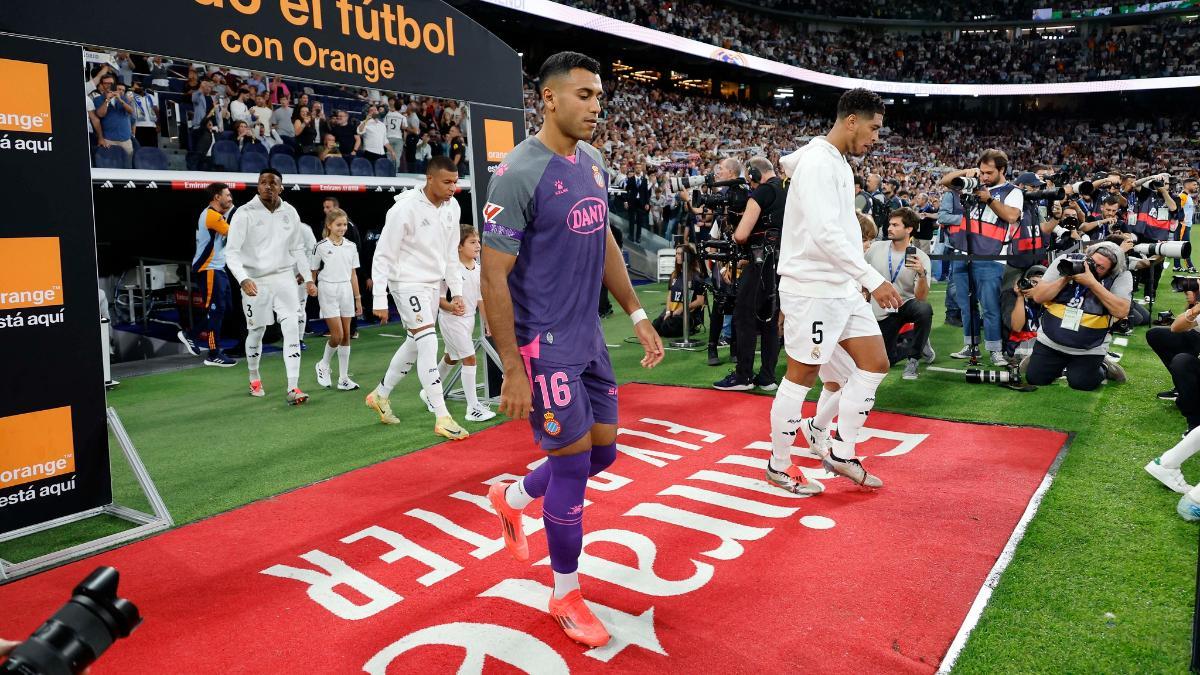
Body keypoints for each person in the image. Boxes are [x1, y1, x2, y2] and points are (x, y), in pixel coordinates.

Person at [480, 51, 663, 649]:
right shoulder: (516, 173)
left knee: (600, 456)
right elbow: (492, 277)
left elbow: (602, 234)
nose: (595, 106)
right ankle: (564, 593)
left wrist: (636, 312)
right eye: (584, 95)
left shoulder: (595, 162)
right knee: (570, 468)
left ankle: (508, 498)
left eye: (600, 96)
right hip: (543, 346)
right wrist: (511, 365)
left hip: (588, 337)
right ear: (549, 98)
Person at [770, 87, 900, 497]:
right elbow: (825, 234)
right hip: (812, 288)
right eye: (874, 128)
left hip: (840, 287)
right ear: (851, 121)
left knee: (875, 363)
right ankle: (779, 464)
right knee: (802, 375)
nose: (876, 137)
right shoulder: (817, 165)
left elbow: (836, 229)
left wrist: (857, 279)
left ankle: (841, 450)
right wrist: (871, 277)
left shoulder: (838, 163)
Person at [365, 157, 471, 440]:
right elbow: (383, 255)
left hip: (432, 285)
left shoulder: (453, 207)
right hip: (406, 283)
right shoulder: (404, 209)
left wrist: (456, 291)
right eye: (447, 182)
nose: (453, 188)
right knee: (427, 342)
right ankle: (442, 416)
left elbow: (451, 255)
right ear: (430, 179)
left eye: (455, 182)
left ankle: (381, 394)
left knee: (415, 342)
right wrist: (379, 298)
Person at [224, 168, 316, 404]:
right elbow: (231, 253)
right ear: (258, 187)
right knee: (257, 331)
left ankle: (293, 387)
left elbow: (297, 249)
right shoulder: (244, 213)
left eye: (272, 183)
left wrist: (307, 277)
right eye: (263, 182)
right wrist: (243, 278)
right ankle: (254, 378)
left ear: (280, 187)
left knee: (292, 328)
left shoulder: (290, 212)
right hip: (256, 280)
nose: (267, 186)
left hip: (284, 277)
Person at [940, 149, 1025, 366]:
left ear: (1002, 170)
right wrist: (968, 172)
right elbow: (945, 181)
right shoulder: (972, 184)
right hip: (963, 252)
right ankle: (970, 345)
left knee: (989, 307)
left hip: (992, 255)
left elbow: (1011, 216)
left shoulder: (1012, 191)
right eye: (982, 172)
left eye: (989, 172)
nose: (984, 177)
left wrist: (989, 200)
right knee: (966, 306)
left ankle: (995, 350)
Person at [713, 156, 786, 392]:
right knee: (770, 321)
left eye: (750, 180)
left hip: (760, 263)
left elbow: (742, 235)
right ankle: (767, 377)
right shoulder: (788, 190)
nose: (750, 186)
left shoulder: (762, 192)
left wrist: (735, 233)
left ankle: (743, 376)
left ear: (755, 174)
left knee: (744, 315)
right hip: (782, 264)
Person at [1025, 241, 1131, 391]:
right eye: (1092, 262)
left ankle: (1104, 367)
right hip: (1051, 339)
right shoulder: (1066, 261)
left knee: (1082, 383)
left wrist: (1092, 283)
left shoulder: (1121, 275)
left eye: (1101, 268)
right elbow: (1039, 297)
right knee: (1035, 379)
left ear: (1110, 271)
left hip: (1089, 347)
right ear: (1086, 257)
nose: (1094, 268)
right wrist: (1066, 277)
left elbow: (1121, 311)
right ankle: (1048, 363)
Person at [426, 226, 496, 422]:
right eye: (472, 242)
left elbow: (481, 299)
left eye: (478, 242)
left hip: (468, 320)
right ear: (458, 246)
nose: (478, 246)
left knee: (452, 357)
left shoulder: (479, 268)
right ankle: (472, 408)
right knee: (470, 358)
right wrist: (451, 307)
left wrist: (486, 322)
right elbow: (438, 299)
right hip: (451, 320)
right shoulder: (449, 269)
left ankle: (429, 392)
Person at [864, 207, 934, 379]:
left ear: (909, 229)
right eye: (890, 224)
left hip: (904, 305)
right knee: (886, 360)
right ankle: (917, 340)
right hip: (881, 309)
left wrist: (921, 274)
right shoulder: (875, 248)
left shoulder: (921, 257)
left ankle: (913, 359)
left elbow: (921, 298)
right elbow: (861, 274)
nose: (889, 228)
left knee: (924, 310)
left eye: (895, 225)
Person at [178, 182, 238, 367]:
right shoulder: (211, 216)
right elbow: (235, 235)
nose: (230, 198)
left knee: (223, 309)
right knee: (215, 311)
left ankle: (191, 334)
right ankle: (213, 353)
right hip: (209, 269)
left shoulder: (216, 214)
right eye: (227, 195)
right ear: (217, 197)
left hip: (217, 268)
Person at [312, 208, 362, 391]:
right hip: (327, 290)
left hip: (346, 290)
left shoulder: (351, 246)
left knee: (347, 335)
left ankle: (343, 379)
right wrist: (311, 285)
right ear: (329, 225)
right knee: (337, 335)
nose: (342, 228)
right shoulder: (320, 246)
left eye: (344, 224)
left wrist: (358, 299)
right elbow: (313, 270)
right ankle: (323, 365)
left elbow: (353, 274)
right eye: (338, 225)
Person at [653, 243, 706, 338]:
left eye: (680, 254)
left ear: (687, 256)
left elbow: (700, 301)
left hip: (689, 314)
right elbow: (670, 295)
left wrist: (682, 309)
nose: (677, 256)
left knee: (666, 327)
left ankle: (691, 329)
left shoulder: (696, 277)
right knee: (655, 326)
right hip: (673, 310)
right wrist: (668, 311)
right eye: (676, 254)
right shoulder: (674, 275)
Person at [1001, 265, 1046, 364]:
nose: (1034, 287)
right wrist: (1020, 297)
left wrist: (1040, 296)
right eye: (1032, 282)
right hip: (1018, 345)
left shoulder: (1050, 297)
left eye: (1038, 283)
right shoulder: (1011, 295)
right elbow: (1016, 327)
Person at [624, 163, 650, 243]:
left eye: (640, 167)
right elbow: (627, 191)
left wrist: (647, 203)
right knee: (631, 219)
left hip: (641, 202)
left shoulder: (644, 180)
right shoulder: (630, 179)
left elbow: (646, 193)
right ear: (635, 169)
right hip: (632, 202)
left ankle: (638, 237)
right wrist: (626, 201)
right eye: (637, 168)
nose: (638, 169)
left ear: (641, 169)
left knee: (640, 221)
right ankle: (631, 236)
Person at [130, 80, 159, 149]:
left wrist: (158, 124)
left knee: (152, 149)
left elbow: (156, 110)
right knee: (139, 149)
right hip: (138, 127)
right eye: (134, 87)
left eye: (138, 86)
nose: (137, 88)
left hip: (152, 127)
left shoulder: (151, 96)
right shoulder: (131, 96)